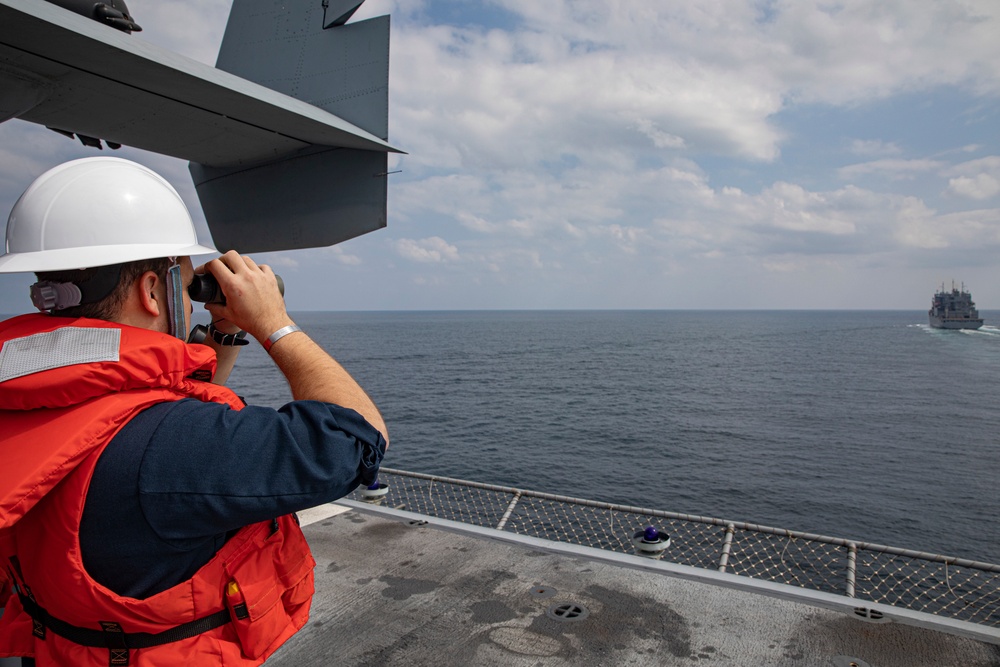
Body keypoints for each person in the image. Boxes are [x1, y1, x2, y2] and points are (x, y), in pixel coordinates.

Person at [0, 157, 388, 666]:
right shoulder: (170, 452)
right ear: (151, 290)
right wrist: (275, 323)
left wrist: (227, 334)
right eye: (184, 278)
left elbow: (152, 411)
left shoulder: (28, 398)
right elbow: (356, 438)